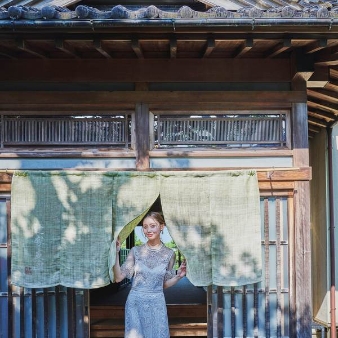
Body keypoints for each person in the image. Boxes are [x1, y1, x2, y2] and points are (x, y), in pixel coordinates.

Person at [113, 211, 187, 338]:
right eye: (145, 226)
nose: (148, 230)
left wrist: (179, 276)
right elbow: (118, 277)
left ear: (161, 226)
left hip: (157, 303)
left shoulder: (170, 254)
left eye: (152, 225)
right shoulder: (135, 251)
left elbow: (163, 284)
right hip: (135, 303)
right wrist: (116, 253)